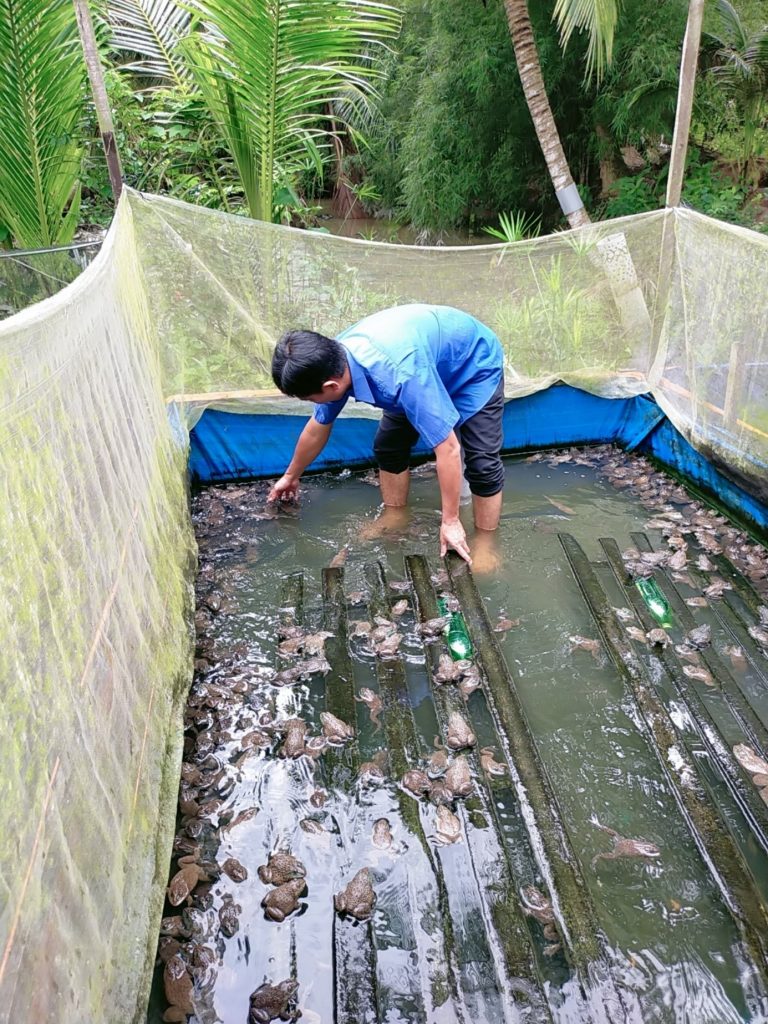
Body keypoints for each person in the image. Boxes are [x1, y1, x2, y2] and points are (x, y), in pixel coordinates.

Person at [268, 303, 505, 565]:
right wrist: (291, 476)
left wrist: (450, 520)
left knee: (482, 463)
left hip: (472, 365)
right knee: (389, 446)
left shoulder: (399, 375)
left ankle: (486, 543)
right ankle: (395, 515)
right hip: (422, 366)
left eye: (311, 398)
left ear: (331, 386)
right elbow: (317, 428)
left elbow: (448, 448)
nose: (314, 403)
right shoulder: (332, 364)